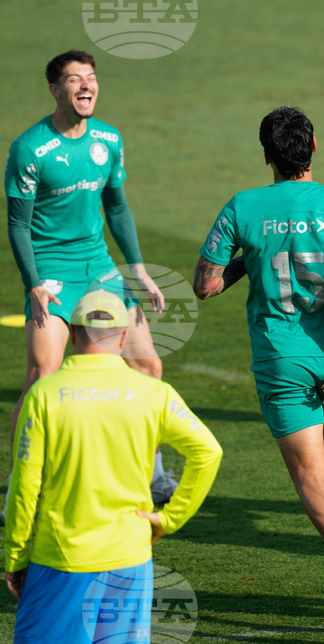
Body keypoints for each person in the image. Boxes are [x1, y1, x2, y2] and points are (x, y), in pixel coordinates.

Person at [194, 107, 324, 642]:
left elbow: (206, 285)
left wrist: (251, 258)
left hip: (281, 359)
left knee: (308, 477)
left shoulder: (244, 206)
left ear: (266, 155)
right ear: (315, 147)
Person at [4, 49, 176, 505]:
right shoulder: (29, 149)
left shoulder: (108, 139)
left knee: (148, 366)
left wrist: (136, 266)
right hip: (53, 275)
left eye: (92, 78)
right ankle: (20, 489)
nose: (86, 86)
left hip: (99, 268)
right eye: (74, 79)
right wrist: (33, 283)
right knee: (43, 374)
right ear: (55, 89)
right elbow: (18, 224)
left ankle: (154, 474)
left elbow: (116, 207)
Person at [4, 289, 222, 643]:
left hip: (60, 558)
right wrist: (170, 519)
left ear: (72, 333)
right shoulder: (154, 393)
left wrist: (15, 556)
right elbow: (208, 452)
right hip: (129, 558)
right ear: (124, 336)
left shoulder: (44, 394)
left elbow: (25, 485)